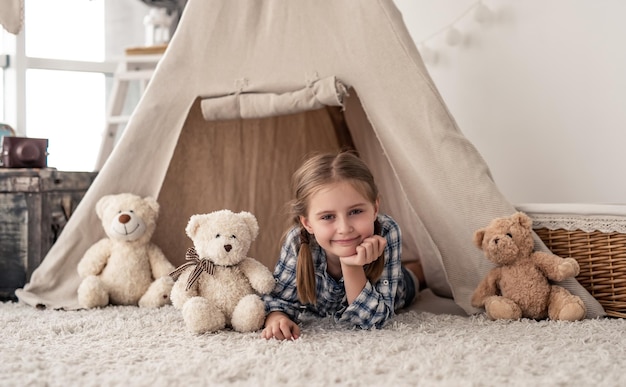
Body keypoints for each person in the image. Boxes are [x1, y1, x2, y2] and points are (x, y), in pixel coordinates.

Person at [261, 150, 425, 340]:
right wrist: (277, 318)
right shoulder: (298, 240)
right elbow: (279, 300)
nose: (344, 228)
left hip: (397, 289)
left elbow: (375, 320)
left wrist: (351, 266)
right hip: (326, 303)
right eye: (328, 217)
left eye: (355, 211)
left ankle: (418, 270)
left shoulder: (387, 231)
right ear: (307, 223)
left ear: (375, 209)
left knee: (413, 279)